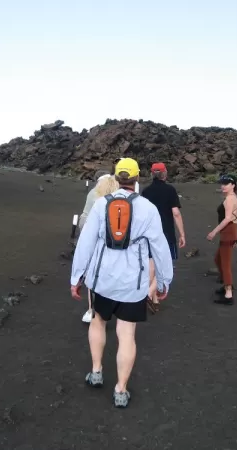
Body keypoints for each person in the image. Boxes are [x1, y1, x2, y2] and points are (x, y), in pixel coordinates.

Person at [70, 157, 174, 408]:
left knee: (98, 322)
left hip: (101, 280)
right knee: (126, 334)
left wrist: (77, 277)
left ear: (117, 178)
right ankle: (120, 389)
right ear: (137, 179)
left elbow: (86, 243)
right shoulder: (148, 208)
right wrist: (163, 281)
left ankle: (96, 371)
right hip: (133, 284)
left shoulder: (99, 205)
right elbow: (160, 248)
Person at [141, 162, 186, 313]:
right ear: (165, 173)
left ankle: (153, 299)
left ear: (152, 174)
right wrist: (182, 233)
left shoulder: (145, 192)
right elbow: (176, 213)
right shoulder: (170, 190)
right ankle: (149, 294)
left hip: (148, 233)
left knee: (151, 266)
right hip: (165, 233)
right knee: (164, 265)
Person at [77, 171, 119, 323]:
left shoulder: (93, 194)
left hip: (93, 235)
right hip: (110, 240)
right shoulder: (115, 196)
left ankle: (91, 309)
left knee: (93, 272)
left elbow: (85, 220)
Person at [206, 174, 237, 305]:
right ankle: (226, 284)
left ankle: (228, 294)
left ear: (233, 185)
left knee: (225, 264)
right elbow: (235, 218)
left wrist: (214, 232)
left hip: (228, 233)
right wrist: (236, 237)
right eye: (222, 183)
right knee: (218, 260)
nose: (223, 186)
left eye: (226, 184)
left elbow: (228, 219)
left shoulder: (230, 199)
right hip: (230, 232)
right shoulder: (233, 198)